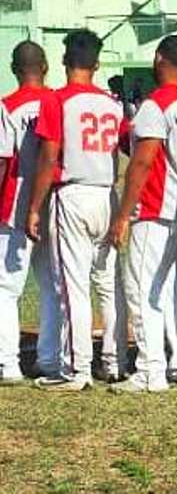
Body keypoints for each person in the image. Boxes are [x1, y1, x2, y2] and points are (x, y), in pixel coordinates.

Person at [107, 35, 177, 393]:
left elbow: (142, 161)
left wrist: (122, 215)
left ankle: (150, 369)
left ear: (158, 58)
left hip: (156, 208)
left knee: (143, 290)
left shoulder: (155, 104)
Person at [27, 29, 128, 391]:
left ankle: (77, 369)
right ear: (96, 64)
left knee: (73, 287)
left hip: (72, 195)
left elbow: (49, 155)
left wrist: (35, 207)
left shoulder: (56, 100)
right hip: (106, 194)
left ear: (66, 62)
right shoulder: (112, 103)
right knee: (108, 285)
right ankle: (116, 361)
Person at [0, 41, 59, 383]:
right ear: (46, 66)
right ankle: (49, 359)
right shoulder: (58, 101)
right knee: (50, 283)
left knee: (7, 288)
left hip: (18, 197)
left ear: (13, 68)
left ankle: (8, 364)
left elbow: (3, 160)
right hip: (55, 195)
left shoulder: (7, 107)